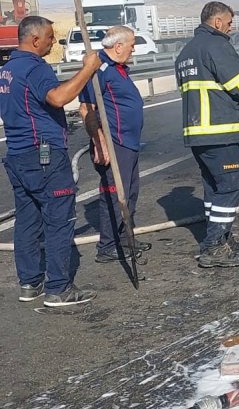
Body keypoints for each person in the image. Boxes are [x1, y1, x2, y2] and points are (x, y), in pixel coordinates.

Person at [0, 16, 101, 306]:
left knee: (28, 220)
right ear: (34, 40)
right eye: (49, 37)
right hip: (43, 154)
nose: (53, 42)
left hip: (18, 155)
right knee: (58, 219)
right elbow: (57, 98)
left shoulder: (7, 70)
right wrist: (87, 69)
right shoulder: (35, 68)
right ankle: (58, 288)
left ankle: (30, 283)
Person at [175, 2, 239, 268]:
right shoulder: (216, 46)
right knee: (228, 187)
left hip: (198, 134)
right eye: (229, 22)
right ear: (216, 22)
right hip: (220, 132)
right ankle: (214, 247)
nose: (231, 27)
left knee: (213, 189)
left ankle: (220, 238)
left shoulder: (187, 51)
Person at [78, 25, 152, 264]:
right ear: (118, 46)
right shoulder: (98, 68)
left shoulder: (118, 68)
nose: (133, 49)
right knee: (113, 194)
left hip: (129, 143)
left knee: (129, 192)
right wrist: (99, 141)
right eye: (131, 44)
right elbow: (87, 108)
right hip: (114, 142)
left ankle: (123, 237)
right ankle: (107, 246)